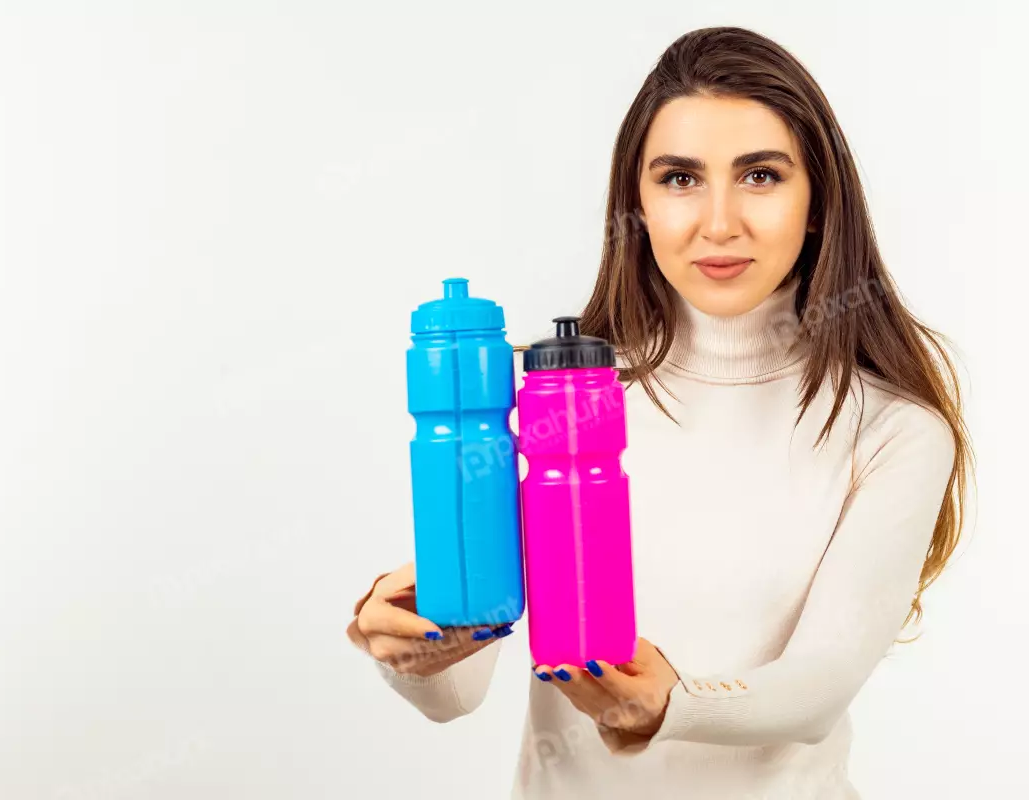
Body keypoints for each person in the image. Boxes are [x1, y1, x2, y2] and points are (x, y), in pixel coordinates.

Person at [345, 26, 973, 799]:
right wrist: (414, 645)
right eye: (679, 178)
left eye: (761, 176)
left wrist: (673, 705)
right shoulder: (553, 405)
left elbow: (820, 686)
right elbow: (456, 693)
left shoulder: (890, 430)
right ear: (635, 205)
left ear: (818, 204)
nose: (717, 223)